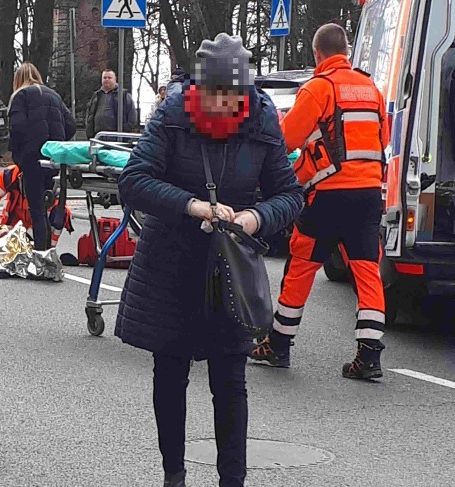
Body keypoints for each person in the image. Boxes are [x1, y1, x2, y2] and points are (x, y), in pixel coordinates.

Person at [115, 33, 303, 487]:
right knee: (171, 373)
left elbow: (290, 195)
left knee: (230, 380)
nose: (222, 104)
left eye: (231, 95)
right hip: (172, 262)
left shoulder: (261, 120)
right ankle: (173, 475)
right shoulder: (173, 114)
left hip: (230, 269)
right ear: (198, 88)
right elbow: (133, 181)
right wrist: (192, 206)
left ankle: (231, 481)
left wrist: (257, 217)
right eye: (213, 94)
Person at [250, 23, 390, 380]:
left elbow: (288, 137)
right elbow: (382, 137)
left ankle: (278, 344)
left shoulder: (319, 88)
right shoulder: (371, 88)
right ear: (346, 50)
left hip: (328, 196)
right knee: (366, 270)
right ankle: (369, 355)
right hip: (370, 194)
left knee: (301, 264)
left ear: (317, 54)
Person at [8, 62, 76, 251]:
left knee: (37, 210)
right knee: (49, 204)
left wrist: (17, 155)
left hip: (32, 157)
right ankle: (49, 249)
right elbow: (70, 124)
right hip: (54, 157)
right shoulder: (54, 95)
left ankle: (40, 253)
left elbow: (17, 127)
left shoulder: (20, 96)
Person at [0, 164, 73, 248]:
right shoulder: (10, 175)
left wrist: (17, 235)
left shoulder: (54, 202)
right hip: (9, 229)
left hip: (35, 238)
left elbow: (44, 233)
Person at [85, 69, 137, 139]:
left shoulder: (123, 95)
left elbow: (132, 116)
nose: (107, 79)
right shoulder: (96, 96)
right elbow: (89, 115)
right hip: (98, 137)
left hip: (117, 138)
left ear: (115, 80)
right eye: (104, 77)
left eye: (109, 78)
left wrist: (125, 131)